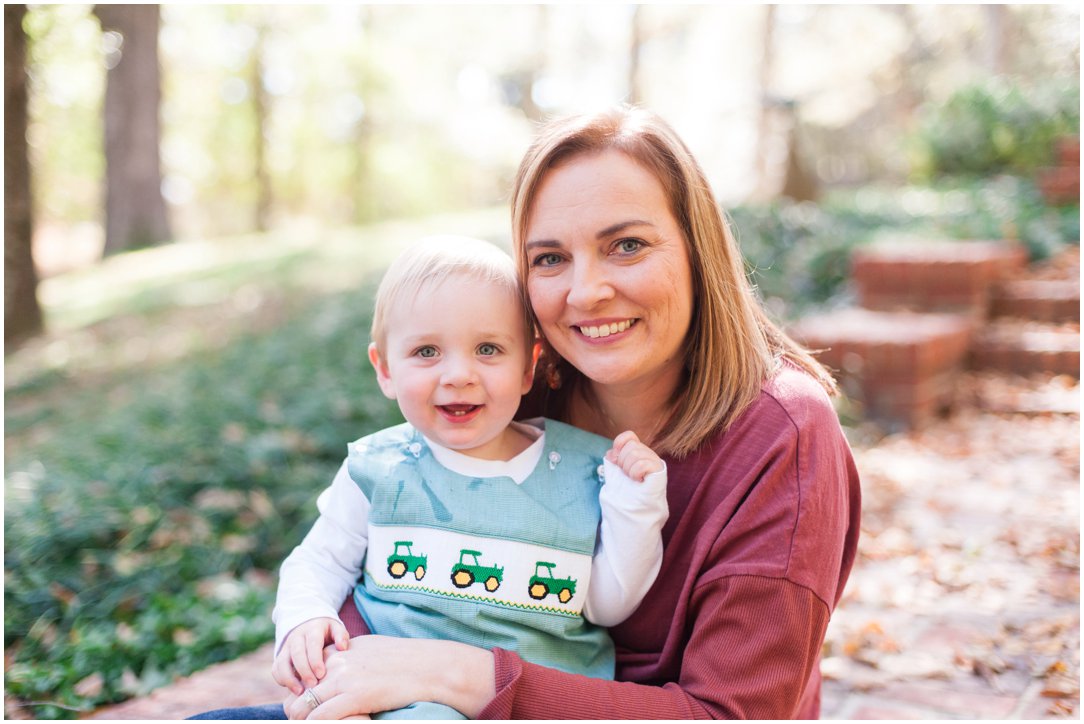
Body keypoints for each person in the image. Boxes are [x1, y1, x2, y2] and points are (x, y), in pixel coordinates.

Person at [197, 104, 860, 721]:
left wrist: (468, 675)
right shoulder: (511, 391)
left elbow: (727, 716)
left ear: (697, 249)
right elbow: (379, 541)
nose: (586, 291)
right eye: (550, 258)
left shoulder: (784, 437)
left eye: (626, 244)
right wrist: (365, 665)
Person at [265, 236, 667, 720]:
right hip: (399, 703)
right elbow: (318, 561)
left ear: (528, 366)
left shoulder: (585, 470)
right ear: (385, 369)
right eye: (427, 351)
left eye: (488, 349)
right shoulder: (379, 469)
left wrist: (636, 509)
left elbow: (606, 605)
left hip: (536, 701)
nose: (458, 374)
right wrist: (306, 618)